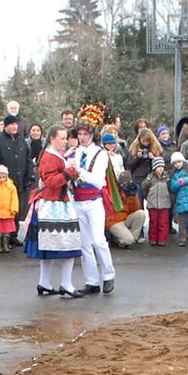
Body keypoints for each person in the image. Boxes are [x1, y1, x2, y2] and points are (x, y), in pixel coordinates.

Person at [26, 124, 83, 297]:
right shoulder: (50, 157)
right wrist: (70, 172)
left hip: (54, 204)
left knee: (48, 248)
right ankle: (66, 284)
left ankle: (44, 283)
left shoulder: (53, 155)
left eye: (66, 138)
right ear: (52, 139)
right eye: (63, 138)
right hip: (54, 205)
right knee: (69, 245)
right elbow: (51, 182)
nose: (66, 141)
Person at [68, 119, 117, 294]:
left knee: (98, 240)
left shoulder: (100, 154)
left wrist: (78, 171)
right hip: (77, 200)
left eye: (85, 134)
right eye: (79, 134)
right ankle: (92, 281)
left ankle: (108, 275)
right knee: (84, 243)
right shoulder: (75, 152)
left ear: (92, 135)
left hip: (94, 201)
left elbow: (97, 180)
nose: (82, 138)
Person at [104, 180, 146, 249]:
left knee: (141, 213)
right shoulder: (113, 192)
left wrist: (132, 197)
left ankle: (130, 240)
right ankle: (122, 240)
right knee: (128, 240)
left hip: (125, 219)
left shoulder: (129, 195)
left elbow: (135, 209)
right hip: (114, 221)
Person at [141, 159, 173, 246]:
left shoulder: (167, 177)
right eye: (158, 167)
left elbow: (171, 188)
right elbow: (143, 187)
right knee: (153, 223)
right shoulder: (150, 177)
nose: (160, 169)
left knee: (163, 223)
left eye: (162, 166)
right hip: (153, 204)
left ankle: (162, 239)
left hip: (164, 204)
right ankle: (152, 239)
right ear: (154, 168)